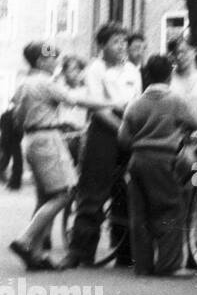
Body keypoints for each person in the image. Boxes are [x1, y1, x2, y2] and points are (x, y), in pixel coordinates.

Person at [8, 42, 112, 270]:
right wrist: (112, 102)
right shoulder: (45, 82)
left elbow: (16, 117)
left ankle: (35, 255)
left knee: (46, 196)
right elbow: (75, 100)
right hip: (48, 138)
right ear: (40, 61)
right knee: (64, 194)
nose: (56, 61)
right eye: (52, 57)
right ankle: (25, 240)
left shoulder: (23, 83)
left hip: (31, 139)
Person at [67, 22, 141, 268]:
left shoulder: (133, 70)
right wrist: (120, 130)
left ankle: (124, 252)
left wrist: (131, 129)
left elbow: (135, 103)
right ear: (102, 45)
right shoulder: (94, 69)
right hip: (103, 130)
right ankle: (81, 252)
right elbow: (97, 107)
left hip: (127, 126)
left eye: (123, 42)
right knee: (93, 190)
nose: (122, 47)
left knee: (127, 189)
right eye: (116, 42)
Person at [118, 54, 197, 277]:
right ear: (170, 75)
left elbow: (123, 138)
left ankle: (143, 265)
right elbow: (194, 123)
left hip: (138, 160)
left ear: (147, 75)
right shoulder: (175, 100)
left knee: (139, 214)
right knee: (170, 209)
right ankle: (169, 264)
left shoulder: (135, 104)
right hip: (164, 159)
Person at [168, 33, 197, 123]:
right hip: (172, 134)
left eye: (183, 51)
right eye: (175, 53)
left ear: (194, 51)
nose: (179, 57)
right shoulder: (167, 79)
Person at [57, 56, 89, 167]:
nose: (76, 73)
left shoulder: (86, 90)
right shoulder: (59, 88)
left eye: (78, 69)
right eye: (71, 70)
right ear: (64, 72)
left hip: (79, 133)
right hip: (63, 131)